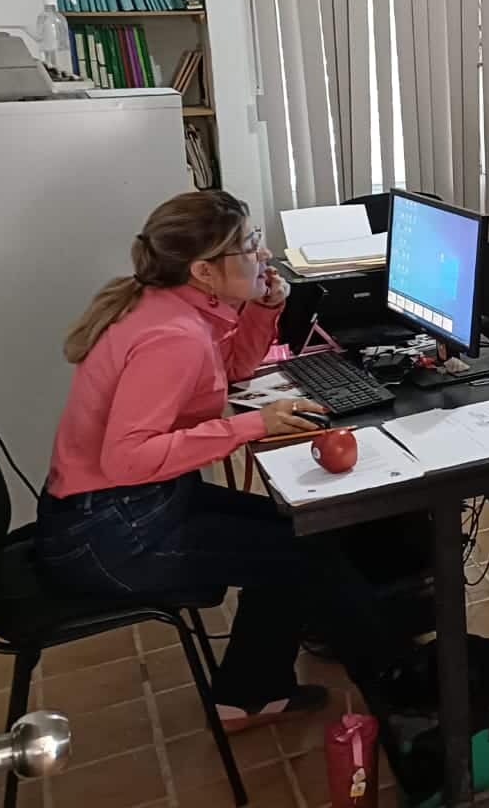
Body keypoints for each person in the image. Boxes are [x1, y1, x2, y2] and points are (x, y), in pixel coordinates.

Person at [37, 190, 413, 732]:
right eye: (249, 245)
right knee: (302, 552)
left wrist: (264, 308)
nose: (263, 254)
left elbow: (231, 372)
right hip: (110, 532)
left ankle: (258, 689)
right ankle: (403, 688)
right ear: (204, 271)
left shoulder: (174, 305)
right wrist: (253, 426)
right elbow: (127, 459)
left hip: (119, 509)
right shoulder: (173, 335)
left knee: (302, 528)